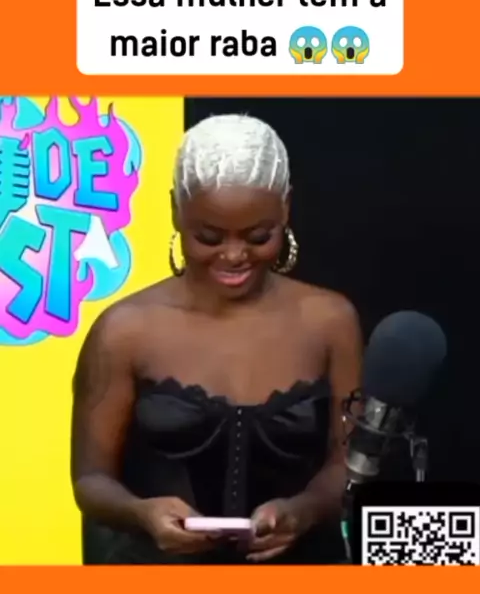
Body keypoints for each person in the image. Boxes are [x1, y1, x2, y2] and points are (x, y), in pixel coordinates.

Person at [71, 114, 363, 564]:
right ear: (175, 210)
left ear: (285, 208)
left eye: (258, 236)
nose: (233, 255)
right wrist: (141, 514)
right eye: (208, 237)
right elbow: (91, 480)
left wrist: (303, 511)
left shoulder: (330, 322)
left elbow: (349, 463)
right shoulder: (124, 330)